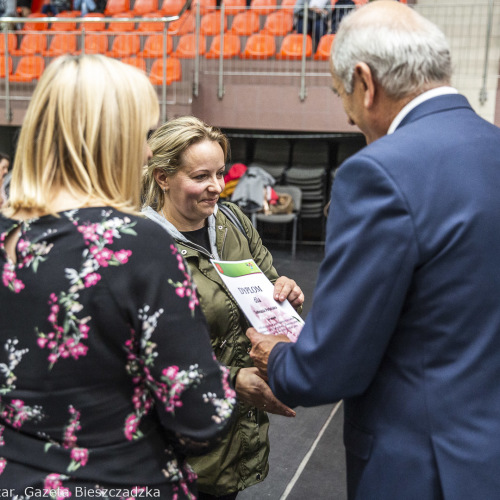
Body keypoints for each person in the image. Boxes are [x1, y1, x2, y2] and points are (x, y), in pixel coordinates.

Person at [247, 2, 500, 499]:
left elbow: (329, 367)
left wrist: (277, 357)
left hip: (422, 467)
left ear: (366, 82)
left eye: (343, 97)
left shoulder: (379, 172)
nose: (351, 116)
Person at [0, 55, 236, 498]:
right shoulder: (135, 244)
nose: (148, 152)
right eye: (143, 134)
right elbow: (201, 417)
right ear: (109, 140)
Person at [142, 116, 304, 500]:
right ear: (163, 177)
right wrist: (230, 380)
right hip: (173, 440)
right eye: (201, 176)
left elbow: (267, 286)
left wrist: (285, 292)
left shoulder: (232, 222)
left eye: (219, 173)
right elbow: (141, 358)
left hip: (234, 431)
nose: (216, 187)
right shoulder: (141, 247)